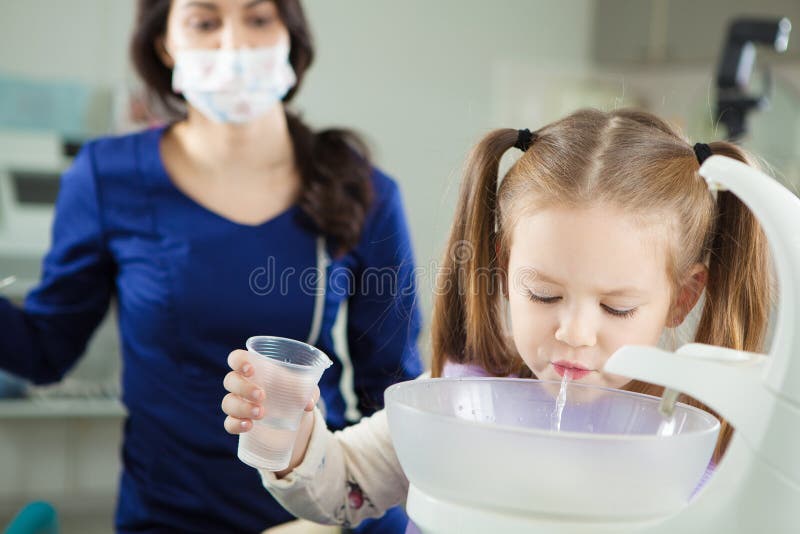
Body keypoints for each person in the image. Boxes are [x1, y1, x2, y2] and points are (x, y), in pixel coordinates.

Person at [222, 108, 772, 529]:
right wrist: (288, 434)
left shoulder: (697, 449)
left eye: (616, 307)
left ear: (682, 297)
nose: (573, 333)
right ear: (504, 269)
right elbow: (343, 486)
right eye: (543, 294)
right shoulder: (461, 403)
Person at [0, 0, 422, 532]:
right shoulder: (108, 178)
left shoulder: (363, 190)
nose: (235, 44)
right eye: (204, 22)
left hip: (320, 517)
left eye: (258, 18)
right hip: (168, 517)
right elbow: (44, 350)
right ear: (165, 43)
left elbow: (395, 397)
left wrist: (340, 515)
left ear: (290, 34)